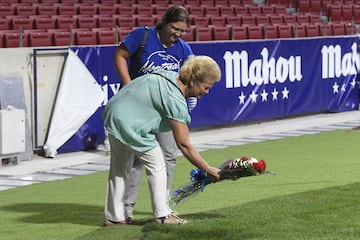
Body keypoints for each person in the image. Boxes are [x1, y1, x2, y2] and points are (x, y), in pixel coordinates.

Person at [103, 55, 222, 225]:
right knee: (157, 163)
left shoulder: (168, 75)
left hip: (113, 113)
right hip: (128, 122)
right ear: (194, 80)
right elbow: (184, 144)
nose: (206, 92)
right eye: (206, 87)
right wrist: (207, 168)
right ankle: (163, 215)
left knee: (119, 169)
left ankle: (114, 218)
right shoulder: (174, 98)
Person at [113, 5, 196, 223]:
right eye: (174, 28)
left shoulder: (184, 49)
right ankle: (125, 210)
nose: (177, 34)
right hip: (137, 109)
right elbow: (120, 55)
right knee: (134, 160)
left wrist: (189, 100)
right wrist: (128, 85)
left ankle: (163, 208)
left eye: (182, 30)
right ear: (165, 22)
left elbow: (190, 78)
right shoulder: (143, 35)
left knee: (168, 157)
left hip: (165, 113)